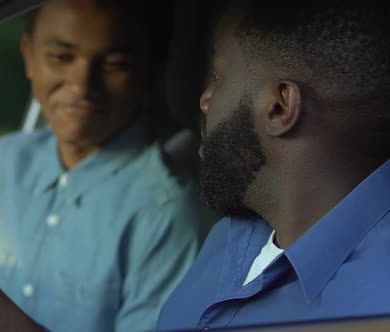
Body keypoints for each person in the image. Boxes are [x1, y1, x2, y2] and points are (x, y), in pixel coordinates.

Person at [0, 0, 200, 331]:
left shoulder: (168, 213)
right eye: (61, 57)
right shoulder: (1, 164)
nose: (83, 85)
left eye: (114, 63)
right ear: (29, 57)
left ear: (152, 70)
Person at [158, 0, 390, 330]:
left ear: (280, 107)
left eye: (218, 76)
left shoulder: (375, 299)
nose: (205, 99)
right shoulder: (227, 237)